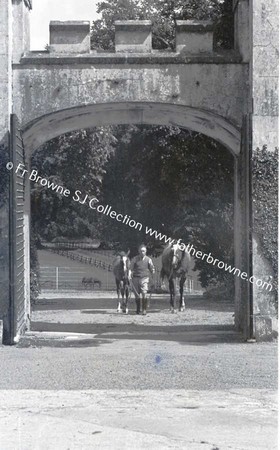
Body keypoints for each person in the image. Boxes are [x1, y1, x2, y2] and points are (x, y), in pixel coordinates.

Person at [129, 244, 155, 315]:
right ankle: (138, 309)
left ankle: (144, 309)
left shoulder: (148, 260)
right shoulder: (134, 259)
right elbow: (130, 268)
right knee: (137, 295)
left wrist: (153, 271)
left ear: (146, 251)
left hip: (144, 278)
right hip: (135, 278)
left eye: (143, 251)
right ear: (138, 251)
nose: (142, 252)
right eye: (141, 251)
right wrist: (129, 274)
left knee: (144, 293)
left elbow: (152, 267)